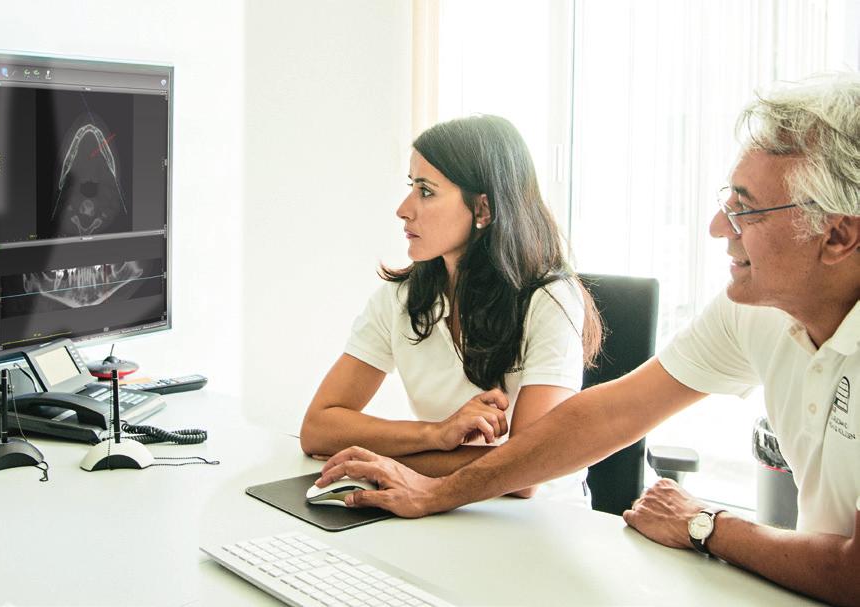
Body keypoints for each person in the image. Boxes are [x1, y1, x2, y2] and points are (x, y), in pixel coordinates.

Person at [316, 73, 860, 606]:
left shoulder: (548, 296)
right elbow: (604, 416)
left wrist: (706, 524)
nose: (718, 227)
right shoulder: (754, 309)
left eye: (745, 209)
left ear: (837, 235)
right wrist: (433, 477)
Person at [300, 115, 601, 503]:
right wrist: (434, 434)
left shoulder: (551, 299)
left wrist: (387, 457)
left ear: (483, 210)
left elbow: (525, 473)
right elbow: (318, 428)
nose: (403, 209)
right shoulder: (400, 298)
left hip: (538, 522)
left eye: (426, 191)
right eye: (411, 186)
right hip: (433, 503)